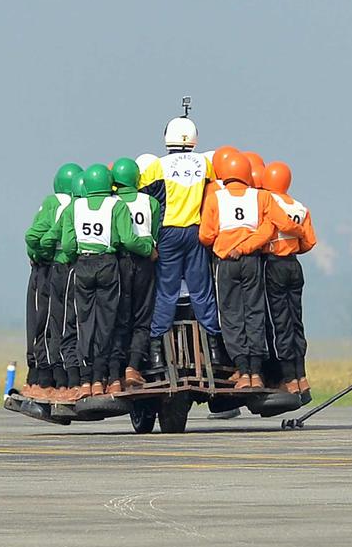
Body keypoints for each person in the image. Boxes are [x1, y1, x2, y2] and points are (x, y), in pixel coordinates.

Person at [44, 165, 152, 398]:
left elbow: (69, 244)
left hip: (83, 264)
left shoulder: (75, 207)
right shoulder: (117, 205)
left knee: (85, 323)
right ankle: (110, 378)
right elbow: (126, 238)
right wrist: (148, 248)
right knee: (108, 323)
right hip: (108, 264)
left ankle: (86, 380)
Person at [139, 113, 222, 367]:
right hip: (196, 233)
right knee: (202, 290)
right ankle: (214, 349)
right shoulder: (204, 165)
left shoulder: (158, 166)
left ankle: (156, 353)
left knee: (167, 291)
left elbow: (143, 195)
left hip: (169, 233)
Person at [198, 152, 277, 389]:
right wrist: (246, 246)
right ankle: (256, 372)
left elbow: (205, 235)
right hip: (251, 259)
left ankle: (242, 371)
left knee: (231, 315)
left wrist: (227, 245)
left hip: (226, 262)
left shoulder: (215, 198)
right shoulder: (260, 196)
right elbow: (268, 228)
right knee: (254, 312)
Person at [260, 161, 318, 401]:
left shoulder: (268, 201)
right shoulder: (301, 207)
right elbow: (309, 242)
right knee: (296, 322)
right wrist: (297, 238)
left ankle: (289, 380)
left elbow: (275, 226)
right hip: (295, 264)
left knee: (280, 323)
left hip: (274, 263)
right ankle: (302, 376)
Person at [23, 163, 81, 399]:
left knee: (43, 322)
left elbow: (34, 236)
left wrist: (39, 256)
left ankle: (42, 378)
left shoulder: (53, 203)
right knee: (70, 322)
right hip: (78, 269)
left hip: (50, 269)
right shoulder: (84, 204)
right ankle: (67, 376)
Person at [110, 157, 161, 390]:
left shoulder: (111, 202)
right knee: (142, 318)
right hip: (145, 263)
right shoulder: (150, 202)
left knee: (121, 318)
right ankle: (133, 366)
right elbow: (155, 233)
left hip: (119, 264)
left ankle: (116, 372)